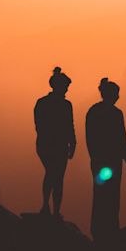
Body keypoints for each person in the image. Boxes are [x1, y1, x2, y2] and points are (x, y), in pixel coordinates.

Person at [85, 78, 126, 240]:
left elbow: (90, 138)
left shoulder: (93, 111)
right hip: (111, 160)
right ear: (110, 94)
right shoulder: (115, 114)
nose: (118, 96)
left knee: (100, 193)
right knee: (112, 194)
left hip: (101, 161)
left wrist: (94, 157)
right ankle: (110, 227)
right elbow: (122, 139)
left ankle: (99, 228)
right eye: (116, 93)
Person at [33, 67, 76, 218]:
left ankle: (50, 208)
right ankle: (51, 209)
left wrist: (72, 142)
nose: (66, 90)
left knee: (54, 175)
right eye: (65, 87)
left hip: (50, 145)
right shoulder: (63, 105)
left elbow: (40, 125)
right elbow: (68, 126)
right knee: (55, 175)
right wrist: (72, 142)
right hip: (54, 145)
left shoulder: (43, 103)